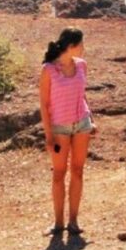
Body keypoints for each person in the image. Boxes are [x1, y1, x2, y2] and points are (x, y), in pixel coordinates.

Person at [39, 26, 97, 236]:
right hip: (59, 128)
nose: (83, 49)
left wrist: (91, 119)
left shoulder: (82, 66)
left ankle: (73, 221)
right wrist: (48, 135)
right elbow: (44, 105)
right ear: (71, 46)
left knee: (78, 171)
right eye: (81, 44)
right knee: (59, 174)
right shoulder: (49, 70)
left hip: (81, 124)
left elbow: (82, 95)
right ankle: (57, 223)